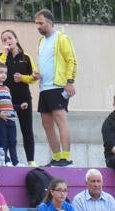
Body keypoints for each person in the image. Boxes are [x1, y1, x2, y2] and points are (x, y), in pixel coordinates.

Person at [33, 9, 77, 166]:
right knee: (46, 122)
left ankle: (66, 157)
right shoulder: (41, 42)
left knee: (60, 119)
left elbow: (71, 59)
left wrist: (70, 81)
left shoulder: (61, 38)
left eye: (40, 23)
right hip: (44, 87)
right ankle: (57, 156)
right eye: (36, 23)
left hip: (58, 86)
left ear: (50, 22)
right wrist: (37, 74)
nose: (38, 26)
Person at [0, 28, 36, 165]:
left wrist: (23, 78)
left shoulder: (26, 57)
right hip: (5, 101)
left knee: (27, 130)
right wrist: (5, 53)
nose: (7, 41)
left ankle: (31, 160)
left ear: (16, 39)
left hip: (23, 98)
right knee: (6, 132)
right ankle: (6, 160)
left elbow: (34, 76)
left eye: (9, 38)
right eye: (4, 40)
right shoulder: (1, 55)